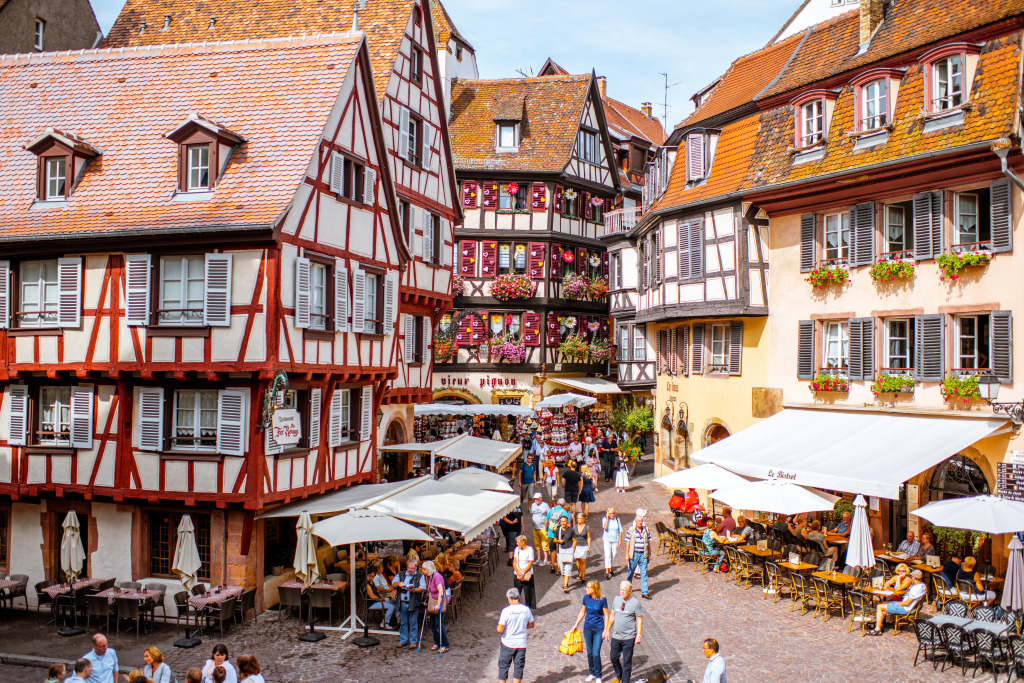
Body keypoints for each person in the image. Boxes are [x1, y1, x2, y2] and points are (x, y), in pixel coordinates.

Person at [571, 580, 610, 683]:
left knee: (596, 652)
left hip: (598, 629)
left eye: (588, 587)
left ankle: (598, 676)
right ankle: (592, 672)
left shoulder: (602, 600)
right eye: (587, 587)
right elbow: (582, 612)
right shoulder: (586, 598)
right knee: (589, 653)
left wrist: (606, 630)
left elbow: (606, 615)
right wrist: (576, 624)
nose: (586, 589)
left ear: (594, 589)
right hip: (587, 628)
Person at [868, 569, 927, 635]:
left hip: (905, 608)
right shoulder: (922, 586)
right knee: (884, 604)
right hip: (909, 607)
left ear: (914, 578)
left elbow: (907, 603)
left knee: (879, 607)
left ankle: (877, 629)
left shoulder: (916, 589)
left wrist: (897, 603)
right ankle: (880, 625)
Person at [606, 580, 643, 683]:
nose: (622, 592)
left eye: (624, 590)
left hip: (629, 637)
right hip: (616, 636)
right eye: (621, 590)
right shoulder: (616, 600)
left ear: (630, 591)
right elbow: (612, 615)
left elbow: (639, 620)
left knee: (627, 662)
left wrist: (638, 635)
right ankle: (619, 674)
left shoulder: (635, 603)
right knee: (613, 657)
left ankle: (625, 681)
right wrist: (607, 630)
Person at [497, 587, 534, 683]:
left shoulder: (506, 611)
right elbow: (531, 624)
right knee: (518, 667)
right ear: (519, 597)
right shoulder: (526, 609)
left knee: (503, 666)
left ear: (508, 598)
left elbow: (499, 629)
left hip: (508, 643)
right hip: (521, 643)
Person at [393, 559, 427, 648]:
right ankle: (403, 640)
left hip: (413, 602)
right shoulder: (401, 574)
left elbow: (423, 588)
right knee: (403, 622)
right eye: (409, 568)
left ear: (416, 567)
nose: (410, 570)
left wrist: (414, 590)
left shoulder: (420, 576)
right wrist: (399, 584)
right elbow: (393, 584)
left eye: (412, 568)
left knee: (413, 622)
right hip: (403, 602)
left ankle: (413, 641)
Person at [623, 509, 653, 599]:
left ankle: (645, 592)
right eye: (638, 521)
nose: (640, 522)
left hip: (643, 554)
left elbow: (648, 542)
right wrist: (627, 554)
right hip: (634, 554)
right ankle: (627, 589)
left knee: (644, 574)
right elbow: (628, 543)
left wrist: (649, 554)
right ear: (635, 522)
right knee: (630, 572)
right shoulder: (631, 530)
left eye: (641, 521)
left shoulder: (646, 530)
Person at [421, 560, 449, 652]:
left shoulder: (437, 577)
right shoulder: (429, 577)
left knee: (439, 624)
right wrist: (426, 600)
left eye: (424, 569)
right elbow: (429, 590)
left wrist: (438, 604)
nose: (422, 570)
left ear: (428, 569)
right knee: (433, 624)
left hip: (438, 603)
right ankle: (437, 642)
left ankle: (445, 644)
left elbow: (440, 591)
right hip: (432, 603)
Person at [367, 559, 397, 630]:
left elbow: (376, 592)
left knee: (395, 601)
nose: (372, 577)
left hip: (379, 599)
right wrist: (381, 599)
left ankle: (398, 617)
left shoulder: (372, 582)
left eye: (372, 576)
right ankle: (384, 623)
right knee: (391, 607)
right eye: (370, 576)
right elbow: (372, 596)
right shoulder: (367, 585)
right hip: (372, 602)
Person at [554, 514, 577, 593]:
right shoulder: (558, 530)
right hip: (560, 552)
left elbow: (574, 541)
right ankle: (565, 583)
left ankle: (565, 585)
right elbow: (554, 539)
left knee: (568, 568)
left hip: (568, 551)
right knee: (562, 569)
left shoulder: (571, 530)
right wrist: (558, 541)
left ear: (567, 522)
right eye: (562, 521)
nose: (563, 523)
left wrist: (572, 549)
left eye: (564, 521)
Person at [513, 534, 536, 610]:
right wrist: (518, 572)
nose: (517, 543)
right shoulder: (517, 549)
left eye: (518, 542)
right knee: (516, 593)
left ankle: (528, 609)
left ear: (523, 542)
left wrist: (523, 573)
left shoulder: (529, 550)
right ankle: (515, 608)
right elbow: (514, 562)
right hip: (518, 574)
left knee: (528, 593)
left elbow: (530, 563)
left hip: (527, 574)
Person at [546, 498, 570, 570]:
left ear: (556, 503)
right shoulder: (564, 512)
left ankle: (552, 565)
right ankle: (558, 569)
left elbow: (546, 521)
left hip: (551, 533)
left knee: (552, 550)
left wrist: (547, 530)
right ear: (563, 505)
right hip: (559, 534)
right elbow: (568, 524)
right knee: (559, 552)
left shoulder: (551, 510)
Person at [529, 492, 550, 566]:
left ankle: (546, 559)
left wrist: (548, 527)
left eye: (537, 499)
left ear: (541, 498)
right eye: (535, 499)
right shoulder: (533, 505)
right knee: (536, 544)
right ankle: (538, 558)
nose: (536, 500)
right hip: (535, 528)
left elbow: (549, 515)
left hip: (543, 528)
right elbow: (532, 514)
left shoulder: (545, 505)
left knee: (544, 543)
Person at [602, 507, 624, 580]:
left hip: (615, 539)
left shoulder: (617, 520)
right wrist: (607, 519)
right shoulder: (604, 519)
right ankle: (607, 571)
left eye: (613, 513)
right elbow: (605, 527)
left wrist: (620, 539)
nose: (612, 515)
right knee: (607, 555)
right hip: (607, 539)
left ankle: (611, 569)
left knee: (614, 554)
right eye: (610, 513)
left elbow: (620, 530)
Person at [573, 512, 592, 583]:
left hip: (584, 546)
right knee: (578, 560)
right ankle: (579, 573)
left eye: (580, 518)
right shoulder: (574, 527)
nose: (578, 520)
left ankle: (583, 576)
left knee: (583, 561)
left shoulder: (587, 527)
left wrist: (589, 547)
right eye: (577, 518)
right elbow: (573, 537)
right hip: (577, 546)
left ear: (584, 519)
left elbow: (589, 538)